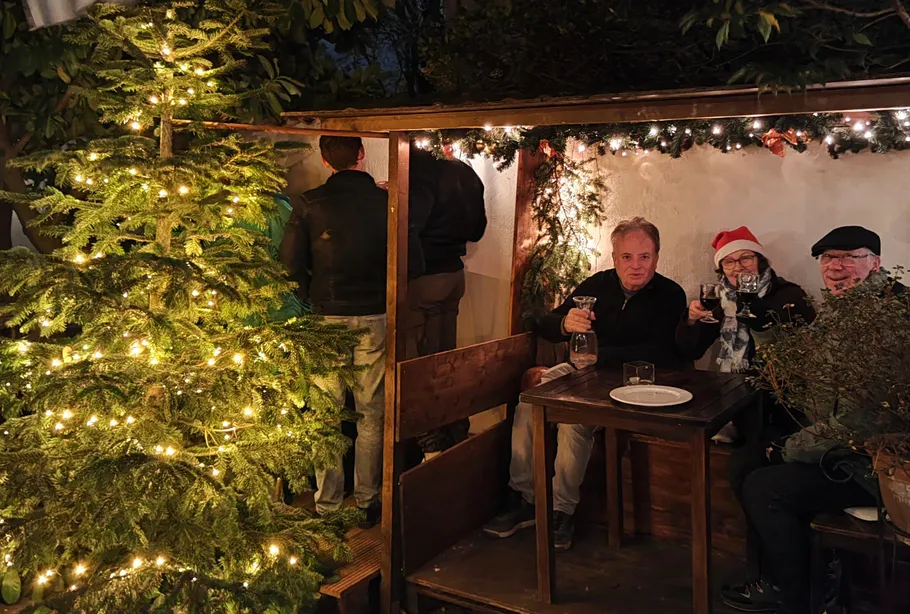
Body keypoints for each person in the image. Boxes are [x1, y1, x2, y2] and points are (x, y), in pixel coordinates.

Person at [482, 217, 688, 551]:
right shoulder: (597, 285)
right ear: (614, 257)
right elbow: (546, 324)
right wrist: (565, 323)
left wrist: (598, 354)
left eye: (644, 257)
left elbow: (663, 351)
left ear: (657, 257)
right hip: (582, 372)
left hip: (630, 383)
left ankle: (562, 511)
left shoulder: (669, 294)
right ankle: (525, 498)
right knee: (530, 399)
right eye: (627, 257)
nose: (636, 266)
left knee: (574, 420)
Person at [722, 226, 898, 614]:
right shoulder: (842, 309)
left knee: (766, 487)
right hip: (839, 449)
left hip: (872, 466)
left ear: (876, 263)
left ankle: (800, 594)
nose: (836, 267)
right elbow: (797, 369)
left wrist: (791, 447)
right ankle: (774, 574)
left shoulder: (884, 320)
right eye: (828, 258)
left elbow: (858, 423)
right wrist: (762, 328)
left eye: (849, 257)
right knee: (743, 463)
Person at [279, 136, 387, 528]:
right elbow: (412, 260)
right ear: (361, 155)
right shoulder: (386, 202)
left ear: (325, 160)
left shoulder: (308, 204)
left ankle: (326, 506)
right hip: (375, 314)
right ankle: (367, 501)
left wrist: (312, 299)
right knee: (370, 413)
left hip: (325, 316)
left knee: (325, 414)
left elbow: (290, 265)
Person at [677, 227, 815, 441]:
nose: (738, 267)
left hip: (775, 402)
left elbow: (803, 354)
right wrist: (691, 320)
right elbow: (692, 350)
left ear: (759, 260)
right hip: (731, 395)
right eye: (729, 262)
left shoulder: (790, 295)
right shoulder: (723, 300)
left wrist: (752, 307)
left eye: (745, 258)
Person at [405, 145, 487, 458]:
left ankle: (431, 449)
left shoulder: (418, 171)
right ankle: (455, 436)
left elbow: (413, 225)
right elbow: (477, 230)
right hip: (454, 275)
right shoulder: (464, 170)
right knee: (445, 361)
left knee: (420, 364)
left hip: (425, 277)